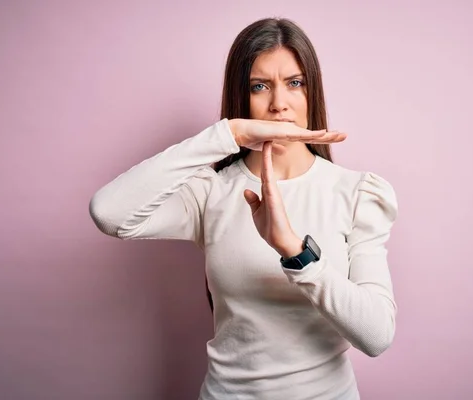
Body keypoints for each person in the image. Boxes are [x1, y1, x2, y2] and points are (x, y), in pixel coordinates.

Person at [89, 17, 398, 400]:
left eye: (295, 83)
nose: (278, 104)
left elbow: (377, 335)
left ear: (311, 92)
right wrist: (227, 134)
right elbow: (109, 212)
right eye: (259, 86)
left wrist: (296, 252)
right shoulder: (212, 192)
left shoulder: (355, 192)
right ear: (242, 98)